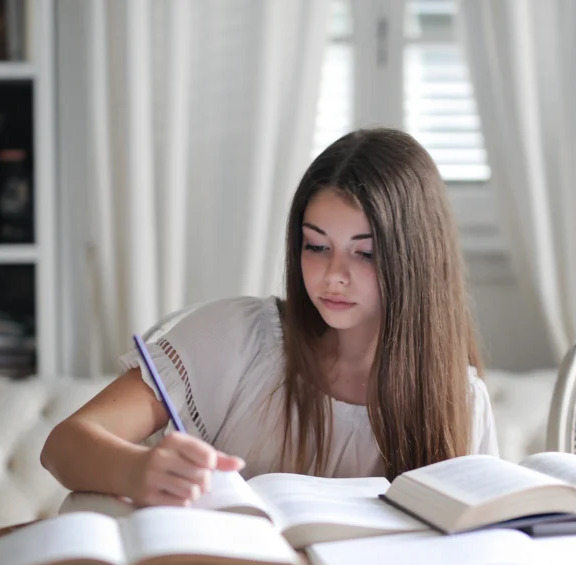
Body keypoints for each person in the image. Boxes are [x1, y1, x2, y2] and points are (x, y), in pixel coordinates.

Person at [40, 128, 499, 508]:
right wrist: (138, 470)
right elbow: (63, 446)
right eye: (316, 246)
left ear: (414, 260)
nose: (333, 276)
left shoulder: (458, 401)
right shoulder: (238, 338)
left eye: (365, 254)